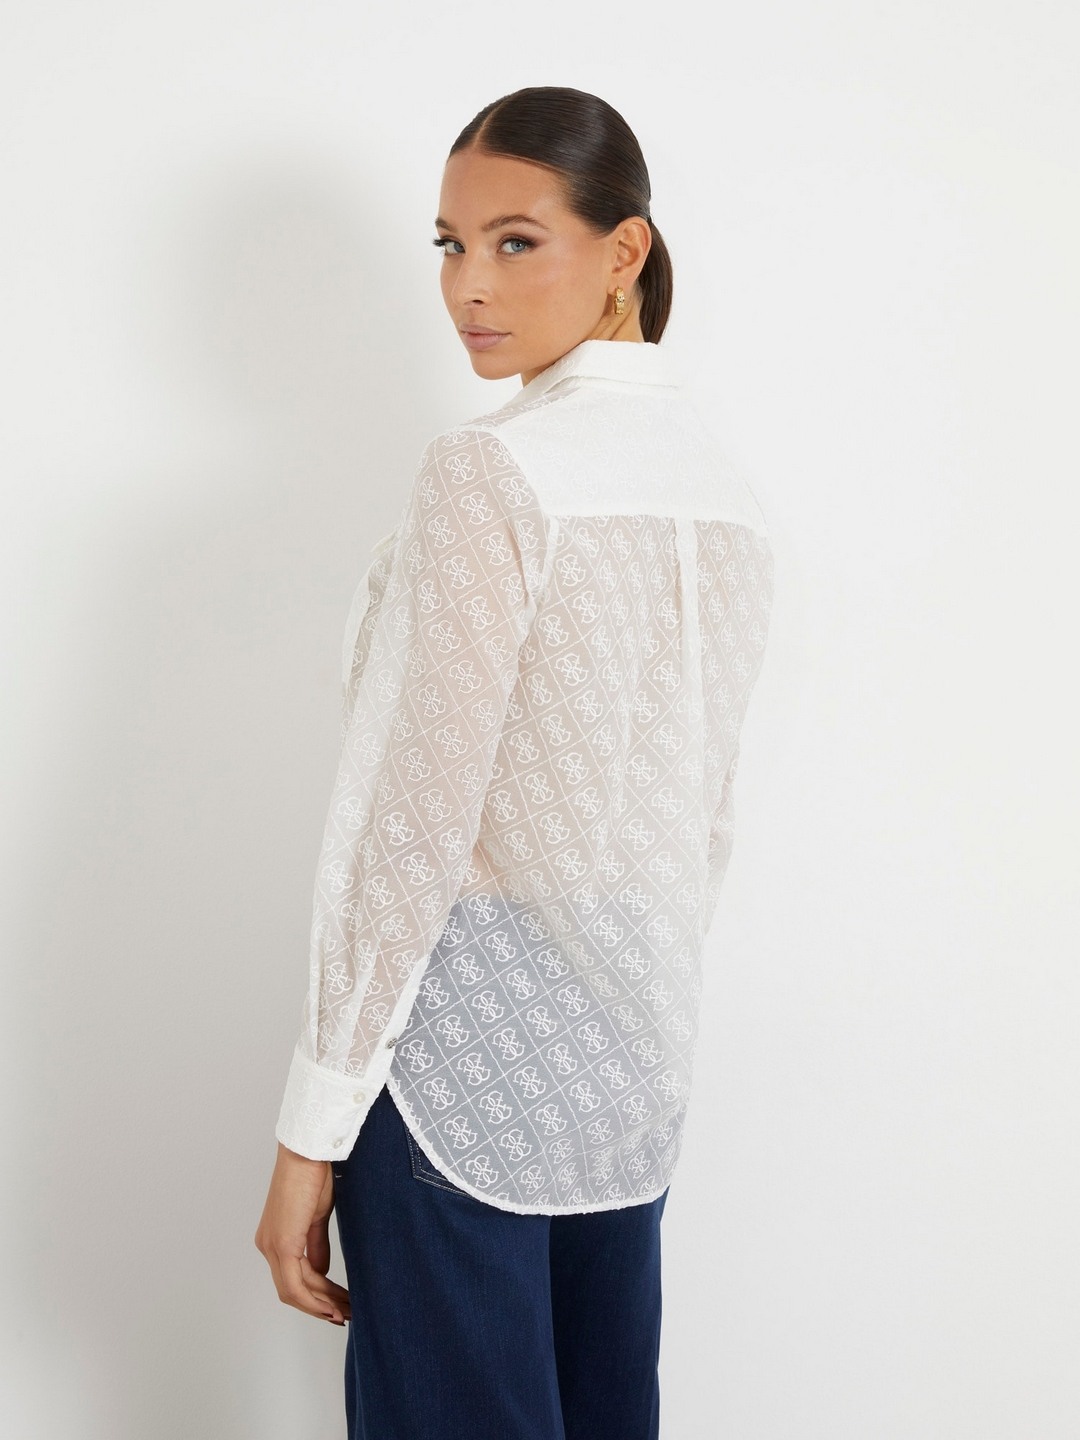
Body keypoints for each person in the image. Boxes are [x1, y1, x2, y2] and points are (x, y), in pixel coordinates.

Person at [255, 85, 775, 1440]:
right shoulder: (725, 488)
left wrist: (314, 1126)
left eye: (515, 241)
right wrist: (637, 1007)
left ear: (625, 251)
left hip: (454, 1049)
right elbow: (707, 823)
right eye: (449, 245)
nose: (468, 286)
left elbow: (412, 826)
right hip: (632, 1041)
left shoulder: (492, 474)